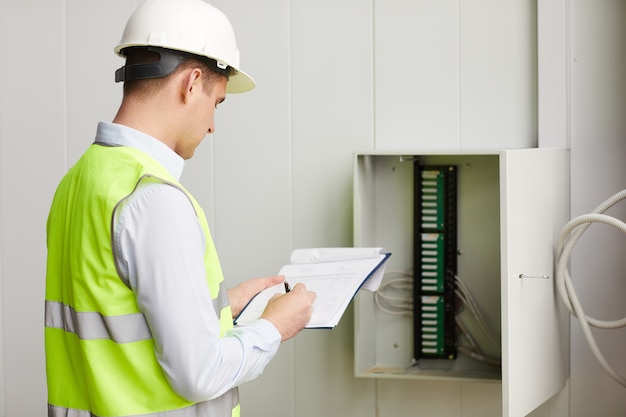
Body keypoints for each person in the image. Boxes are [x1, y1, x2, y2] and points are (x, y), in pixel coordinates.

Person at [44, 1, 316, 416]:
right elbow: (198, 375)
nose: (212, 125)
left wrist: (226, 306)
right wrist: (274, 326)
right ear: (191, 84)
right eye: (217, 103)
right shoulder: (153, 198)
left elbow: (118, 317)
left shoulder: (78, 180)